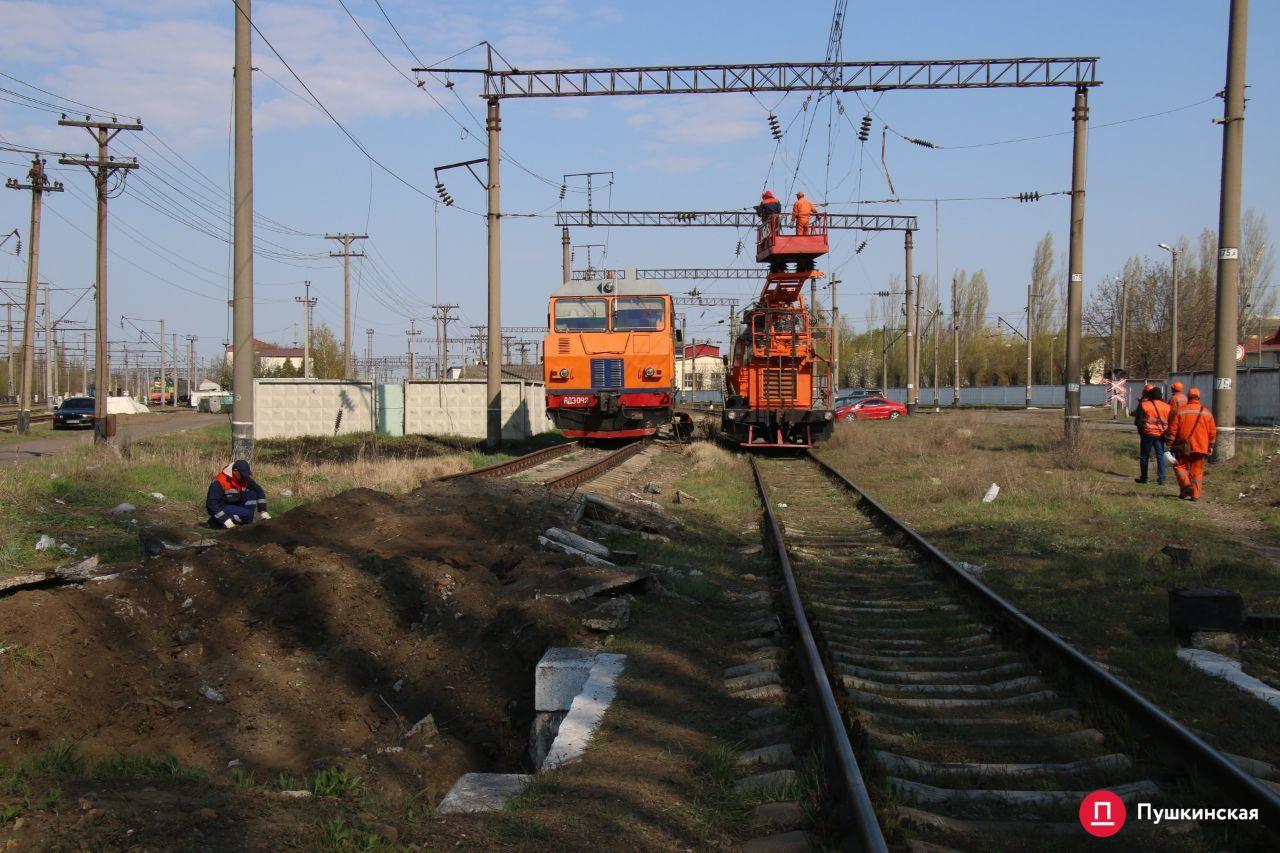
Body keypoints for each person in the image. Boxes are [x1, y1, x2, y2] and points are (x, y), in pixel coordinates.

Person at [1165, 387, 1217, 502]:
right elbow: (1212, 432)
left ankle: (1186, 486)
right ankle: (1195, 495)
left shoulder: (1181, 411)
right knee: (1197, 471)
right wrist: (1211, 446)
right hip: (1201, 446)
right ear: (1199, 397)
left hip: (1183, 446)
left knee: (1180, 466)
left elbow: (1173, 430)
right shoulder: (1207, 412)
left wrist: (1169, 443)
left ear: (1188, 397)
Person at [206, 459, 271, 528]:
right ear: (235, 471)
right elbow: (211, 504)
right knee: (247, 514)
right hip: (222, 507)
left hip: (235, 504)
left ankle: (246, 521)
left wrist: (263, 511)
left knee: (252, 494)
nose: (244, 476)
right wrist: (225, 520)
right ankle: (217, 522)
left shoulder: (244, 478)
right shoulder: (220, 481)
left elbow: (259, 490)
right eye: (242, 474)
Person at [1132, 385, 1170, 485]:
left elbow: (1138, 421)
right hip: (1161, 435)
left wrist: (1141, 431)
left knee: (1144, 456)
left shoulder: (1144, 405)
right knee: (1160, 455)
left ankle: (1144, 478)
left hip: (1147, 434)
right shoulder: (1167, 406)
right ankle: (1162, 478)